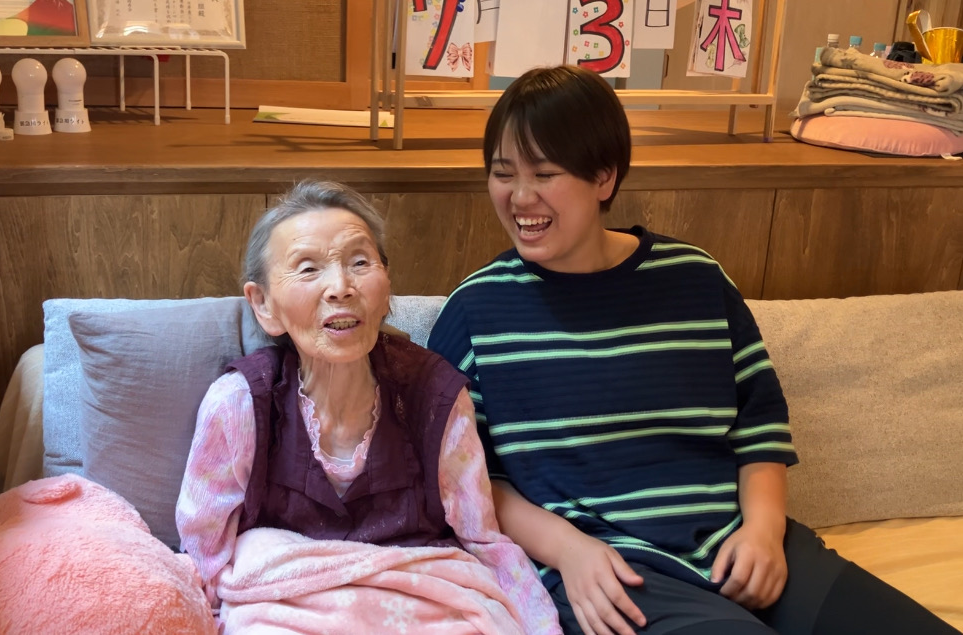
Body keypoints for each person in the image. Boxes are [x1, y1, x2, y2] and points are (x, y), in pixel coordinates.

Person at [426, 65, 959, 635]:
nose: (519, 197)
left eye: (544, 173)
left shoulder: (696, 279)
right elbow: (462, 480)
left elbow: (759, 426)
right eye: (503, 173)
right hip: (607, 568)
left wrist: (763, 530)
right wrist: (567, 550)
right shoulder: (476, 310)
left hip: (739, 542)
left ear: (603, 177)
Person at [175, 180, 560, 634]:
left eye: (360, 262)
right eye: (308, 268)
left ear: (386, 284)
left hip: (420, 606)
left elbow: (483, 541)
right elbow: (204, 556)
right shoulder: (239, 404)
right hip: (283, 609)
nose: (341, 287)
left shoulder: (434, 396)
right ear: (263, 304)